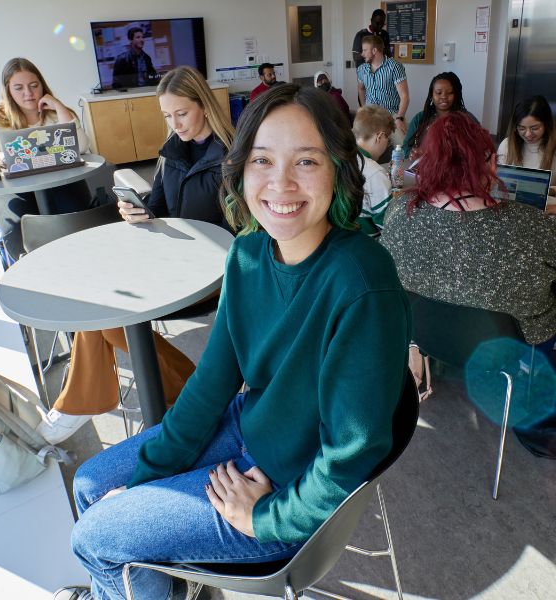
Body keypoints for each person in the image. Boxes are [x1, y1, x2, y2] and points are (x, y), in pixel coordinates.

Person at [59, 83, 410, 600]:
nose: (280, 184)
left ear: (338, 167)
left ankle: (123, 582)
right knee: (90, 487)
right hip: (245, 430)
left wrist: (268, 517)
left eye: (306, 162)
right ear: (241, 168)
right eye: (262, 161)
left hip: (285, 491)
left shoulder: (361, 282)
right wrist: (145, 478)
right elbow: (210, 385)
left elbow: (350, 456)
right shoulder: (248, 252)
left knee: (93, 538)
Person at [37, 66, 235, 445]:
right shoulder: (172, 152)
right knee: (100, 305)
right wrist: (138, 211)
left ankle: (82, 403)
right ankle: (187, 387)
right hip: (168, 264)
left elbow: (239, 231)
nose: (174, 124)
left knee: (108, 315)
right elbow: (158, 208)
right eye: (167, 116)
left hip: (214, 275)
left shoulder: (230, 158)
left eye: (182, 113)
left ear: (204, 106)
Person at [381, 111, 556, 349]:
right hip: (520, 350)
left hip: (426, 336)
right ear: (491, 163)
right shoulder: (534, 225)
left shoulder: (398, 211)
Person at [0, 57, 92, 262]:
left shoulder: (55, 114)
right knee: (17, 227)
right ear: (8, 91)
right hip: (11, 188)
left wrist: (58, 106)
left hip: (57, 181)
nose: (28, 93)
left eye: (33, 85)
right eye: (19, 88)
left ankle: (79, 261)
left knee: (74, 215)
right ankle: (27, 271)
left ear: (42, 85)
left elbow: (81, 147)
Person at [403, 72, 478, 159]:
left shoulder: (467, 119)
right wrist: (412, 154)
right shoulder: (421, 118)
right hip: (420, 167)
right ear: (432, 95)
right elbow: (405, 147)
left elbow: (476, 150)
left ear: (456, 95)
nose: (444, 97)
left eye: (450, 93)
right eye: (438, 93)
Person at [352, 105, 395, 236]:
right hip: (367, 241)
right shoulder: (374, 173)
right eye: (388, 139)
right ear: (380, 137)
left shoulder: (342, 157)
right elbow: (387, 223)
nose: (387, 145)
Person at [357, 36, 409, 143]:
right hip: (370, 115)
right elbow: (361, 89)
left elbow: (405, 96)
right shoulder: (362, 69)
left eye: (365, 50)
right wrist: (363, 108)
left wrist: (400, 118)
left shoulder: (394, 67)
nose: (362, 54)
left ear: (374, 50)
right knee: (356, 144)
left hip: (391, 116)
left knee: (403, 146)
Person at [497, 95, 556, 185]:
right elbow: (498, 182)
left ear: (546, 124)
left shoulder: (553, 147)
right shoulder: (507, 145)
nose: (528, 134)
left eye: (535, 128)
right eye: (521, 128)